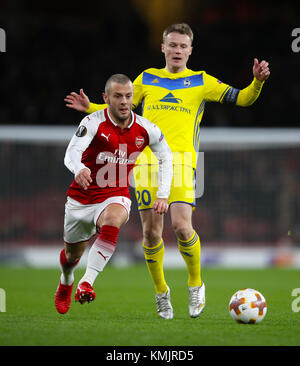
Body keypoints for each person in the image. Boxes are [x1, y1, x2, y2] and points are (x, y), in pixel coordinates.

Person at [64, 23, 270, 319]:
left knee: (182, 226)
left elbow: (243, 98)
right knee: (150, 234)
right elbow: (120, 109)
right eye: (171, 45)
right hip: (146, 163)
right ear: (163, 48)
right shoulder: (146, 78)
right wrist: (91, 107)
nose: (177, 50)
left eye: (182, 46)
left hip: (185, 162)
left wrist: (257, 82)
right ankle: (162, 293)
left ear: (190, 50)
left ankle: (196, 283)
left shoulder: (201, 81)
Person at [55, 74, 173, 315]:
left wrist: (163, 194)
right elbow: (71, 153)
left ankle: (86, 282)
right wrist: (80, 169)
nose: (124, 101)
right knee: (71, 256)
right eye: (118, 96)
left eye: (129, 96)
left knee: (114, 219)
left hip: (115, 195)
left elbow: (166, 157)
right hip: (81, 198)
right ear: (106, 98)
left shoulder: (146, 129)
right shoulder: (93, 122)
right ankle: (66, 281)